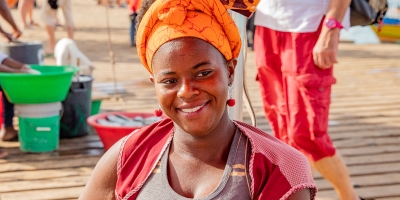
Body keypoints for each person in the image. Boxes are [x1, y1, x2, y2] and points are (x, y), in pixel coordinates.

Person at [79, 0, 318, 199]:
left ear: (230, 71)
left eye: (203, 73)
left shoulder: (279, 169)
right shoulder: (127, 156)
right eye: (170, 81)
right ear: (156, 85)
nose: (186, 91)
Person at [253, 0, 361, 199]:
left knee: (307, 135)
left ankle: (350, 197)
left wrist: (332, 27)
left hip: (309, 25)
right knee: (282, 133)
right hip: (266, 22)